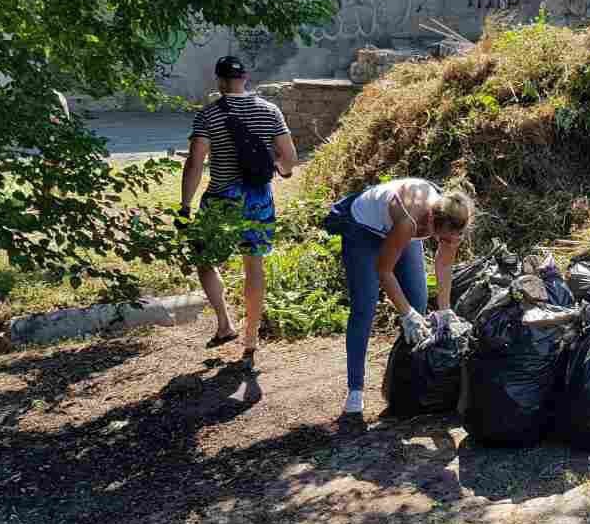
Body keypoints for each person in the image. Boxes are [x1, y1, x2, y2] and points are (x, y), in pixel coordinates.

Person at [180, 56, 297, 371]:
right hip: (259, 200)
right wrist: (279, 170)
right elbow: (289, 158)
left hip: (222, 199)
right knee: (254, 266)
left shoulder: (209, 115)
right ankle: (251, 338)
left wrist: (186, 205)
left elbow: (195, 162)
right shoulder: (270, 111)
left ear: (219, 80)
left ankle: (223, 323)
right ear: (246, 78)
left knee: (205, 260)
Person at [326, 179, 475, 420]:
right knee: (365, 306)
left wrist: (444, 310)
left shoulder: (452, 216)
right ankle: (355, 390)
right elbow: (383, 271)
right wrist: (406, 315)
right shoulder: (409, 221)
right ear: (434, 224)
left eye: (453, 238)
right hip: (363, 230)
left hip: (400, 228)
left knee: (418, 299)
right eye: (446, 238)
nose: (450, 242)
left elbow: (445, 263)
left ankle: (409, 386)